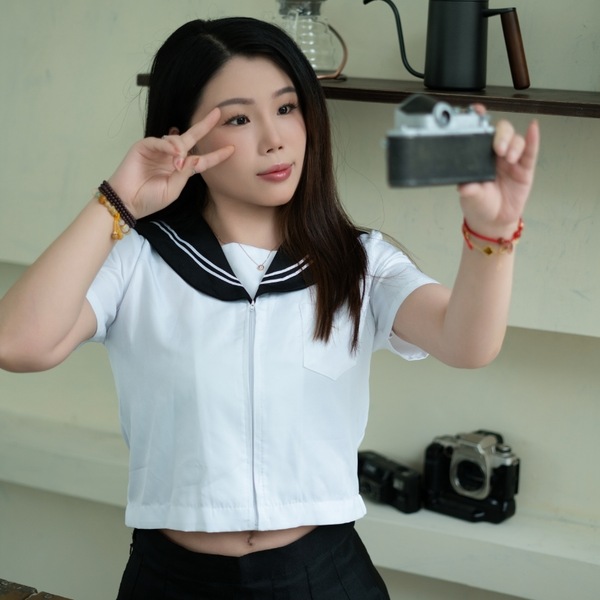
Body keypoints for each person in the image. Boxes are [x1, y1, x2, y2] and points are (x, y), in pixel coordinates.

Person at [0, 16, 539, 600]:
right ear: (185, 138)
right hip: (172, 582)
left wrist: (493, 233)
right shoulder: (137, 259)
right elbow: (17, 344)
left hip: (324, 578)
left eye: (286, 108)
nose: (274, 138)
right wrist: (118, 201)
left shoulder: (359, 262)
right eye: (238, 118)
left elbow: (466, 342)